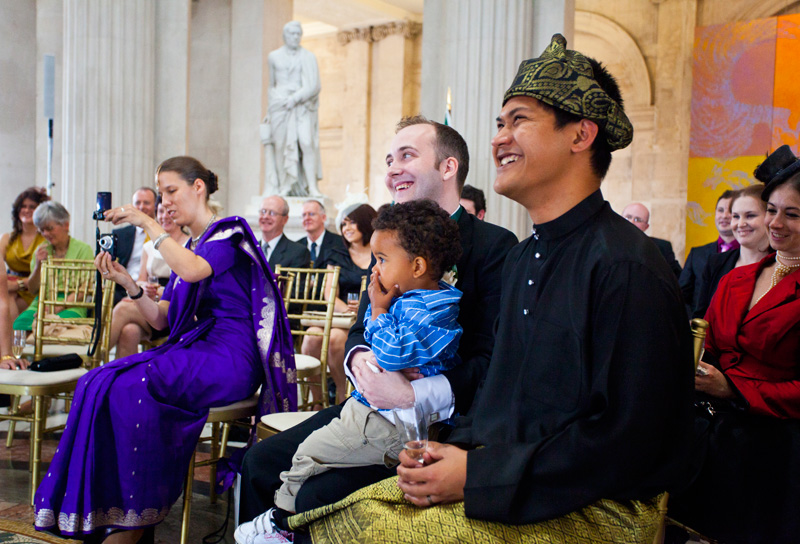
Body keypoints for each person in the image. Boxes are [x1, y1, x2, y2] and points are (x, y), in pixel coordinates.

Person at [271, 34, 694, 543]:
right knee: (315, 508)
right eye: (499, 124)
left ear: (580, 135)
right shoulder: (526, 257)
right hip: (509, 471)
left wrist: (478, 474)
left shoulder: (627, 265)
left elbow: (631, 440)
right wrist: (457, 452)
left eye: (519, 121)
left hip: (596, 504)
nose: (498, 139)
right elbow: (503, 394)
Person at [238, 116, 518, 526]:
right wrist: (361, 364)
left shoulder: (495, 246)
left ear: (448, 167)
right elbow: (361, 324)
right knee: (260, 462)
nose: (391, 169)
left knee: (313, 494)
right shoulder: (388, 240)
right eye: (389, 159)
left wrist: (410, 394)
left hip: (439, 426)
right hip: (367, 406)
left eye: (407, 155)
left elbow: (490, 355)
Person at [33, 156, 296, 544]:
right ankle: (115, 512)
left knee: (131, 384)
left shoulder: (229, 234)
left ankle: (135, 521)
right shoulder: (190, 244)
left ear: (198, 188)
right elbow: (161, 320)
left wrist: (150, 225)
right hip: (199, 348)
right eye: (161, 193)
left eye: (171, 190)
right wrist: (128, 283)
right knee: (96, 381)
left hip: (231, 358)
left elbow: (192, 271)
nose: (165, 200)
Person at [237, 200, 464, 542]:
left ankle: (279, 524)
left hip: (387, 423)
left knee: (308, 453)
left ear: (417, 265)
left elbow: (387, 353)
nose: (375, 270)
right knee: (276, 456)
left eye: (383, 260)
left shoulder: (423, 309)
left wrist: (377, 309)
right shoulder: (425, 296)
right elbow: (371, 343)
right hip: (373, 408)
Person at [669, 144, 800, 544]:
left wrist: (734, 388)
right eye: (771, 209)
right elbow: (705, 345)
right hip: (714, 445)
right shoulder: (734, 280)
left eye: (791, 214)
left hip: (778, 458)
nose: (774, 222)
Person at [301, 203, 376, 405]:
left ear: (366, 224)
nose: (347, 229)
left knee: (334, 338)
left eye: (352, 223)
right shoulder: (337, 253)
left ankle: (342, 397)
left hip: (365, 315)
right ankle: (317, 401)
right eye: (343, 224)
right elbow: (329, 294)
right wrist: (346, 309)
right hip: (338, 313)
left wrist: (360, 309)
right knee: (310, 337)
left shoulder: (378, 254)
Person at [108, 197, 190, 359]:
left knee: (123, 309)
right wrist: (142, 287)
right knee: (129, 331)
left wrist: (159, 292)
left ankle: (92, 355)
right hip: (148, 304)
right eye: (160, 211)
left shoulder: (189, 244)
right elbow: (140, 279)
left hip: (172, 309)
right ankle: (126, 383)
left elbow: (187, 287)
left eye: (168, 212)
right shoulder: (149, 246)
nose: (164, 216)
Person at [262, 21, 322, 197]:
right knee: (280, 146)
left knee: (307, 143)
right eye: (292, 34)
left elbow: (314, 85)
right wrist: (268, 112)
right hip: (279, 106)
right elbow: (272, 85)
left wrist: (295, 98)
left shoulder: (308, 57)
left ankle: (312, 186)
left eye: (298, 34)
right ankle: (285, 185)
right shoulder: (274, 56)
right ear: (285, 36)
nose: (296, 37)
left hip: (301, 105)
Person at [12, 201, 93, 332]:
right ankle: (26, 353)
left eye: (49, 228)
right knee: (19, 325)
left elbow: (85, 288)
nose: (46, 234)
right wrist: (38, 265)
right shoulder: (41, 250)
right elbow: (32, 289)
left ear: (65, 225)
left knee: (55, 326)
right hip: (42, 302)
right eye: (42, 230)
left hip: (72, 304)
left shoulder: (83, 250)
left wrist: (57, 307)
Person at [693, 184, 771, 318]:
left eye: (750, 215)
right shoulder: (715, 263)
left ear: (768, 217)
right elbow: (701, 316)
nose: (740, 224)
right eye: (736, 216)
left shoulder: (783, 264)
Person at [680, 189, 738, 316]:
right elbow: (681, 296)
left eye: (731, 211)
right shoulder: (697, 254)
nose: (724, 216)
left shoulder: (748, 255)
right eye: (720, 210)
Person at [2, 187, 49, 318]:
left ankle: (9, 338)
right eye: (23, 206)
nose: (27, 210)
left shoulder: (46, 239)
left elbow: (44, 274)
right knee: (7, 294)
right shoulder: (7, 238)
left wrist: (17, 285)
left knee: (7, 297)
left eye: (32, 207)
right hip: (9, 285)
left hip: (33, 288)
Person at [112, 187, 158, 304]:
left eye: (146, 203)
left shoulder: (163, 232)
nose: (141, 207)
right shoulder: (119, 235)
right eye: (138, 203)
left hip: (153, 289)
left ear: (156, 206)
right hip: (122, 289)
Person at [621, 202, 682, 277]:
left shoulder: (661, 248)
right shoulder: (607, 244)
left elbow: (678, 278)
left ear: (646, 227)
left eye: (638, 220)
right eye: (628, 217)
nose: (632, 222)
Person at [259, 195, 310, 270]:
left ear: (285, 219)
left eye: (272, 213)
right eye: (263, 212)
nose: (265, 216)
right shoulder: (248, 249)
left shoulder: (298, 252)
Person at [297, 200, 343, 268]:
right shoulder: (297, 246)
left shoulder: (339, 243)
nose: (306, 218)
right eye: (304, 215)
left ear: (323, 218)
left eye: (311, 214)